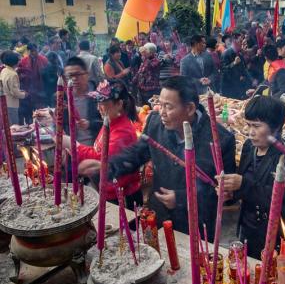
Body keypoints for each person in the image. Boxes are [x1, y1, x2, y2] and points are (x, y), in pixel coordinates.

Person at [108, 76, 236, 238]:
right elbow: (137, 154)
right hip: (159, 215)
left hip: (196, 225)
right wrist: (108, 167)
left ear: (189, 108)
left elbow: (226, 193)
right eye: (160, 105)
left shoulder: (221, 140)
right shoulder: (155, 123)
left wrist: (182, 198)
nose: (161, 112)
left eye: (167, 106)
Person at [221, 96, 285, 259]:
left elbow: (283, 200)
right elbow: (244, 185)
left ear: (276, 127)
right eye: (249, 125)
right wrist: (230, 194)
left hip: (273, 234)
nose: (250, 132)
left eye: (256, 126)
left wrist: (242, 185)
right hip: (247, 229)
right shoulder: (249, 147)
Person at [65, 79, 142, 209]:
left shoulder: (123, 132)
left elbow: (101, 158)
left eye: (104, 102)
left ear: (119, 104)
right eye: (98, 102)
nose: (98, 107)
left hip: (124, 198)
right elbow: (99, 151)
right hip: (109, 191)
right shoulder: (110, 122)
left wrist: (74, 145)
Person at [63, 56, 102, 146]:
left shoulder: (99, 95)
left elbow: (109, 122)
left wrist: (90, 124)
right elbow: (59, 126)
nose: (74, 79)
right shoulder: (62, 98)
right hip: (71, 150)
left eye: (77, 74)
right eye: (70, 76)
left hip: (96, 148)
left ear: (87, 75)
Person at [17, 43, 48, 122]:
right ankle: (30, 125)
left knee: (41, 112)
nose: (34, 53)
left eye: (35, 50)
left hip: (41, 89)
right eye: (32, 51)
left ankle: (42, 128)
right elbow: (19, 73)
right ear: (28, 51)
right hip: (28, 89)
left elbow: (47, 74)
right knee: (29, 112)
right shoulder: (23, 60)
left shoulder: (43, 59)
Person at [220, 33, 252, 99]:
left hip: (239, 87)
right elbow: (224, 71)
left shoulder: (239, 53)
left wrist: (250, 79)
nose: (242, 43)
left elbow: (244, 69)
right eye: (240, 41)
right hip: (230, 88)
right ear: (234, 41)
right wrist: (234, 63)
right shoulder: (225, 54)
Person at [0, 51, 26, 125]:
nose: (19, 61)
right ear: (14, 62)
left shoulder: (4, 70)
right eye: (18, 60)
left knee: (7, 126)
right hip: (11, 104)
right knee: (13, 126)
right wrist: (24, 94)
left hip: (4, 102)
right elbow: (15, 92)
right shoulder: (13, 74)